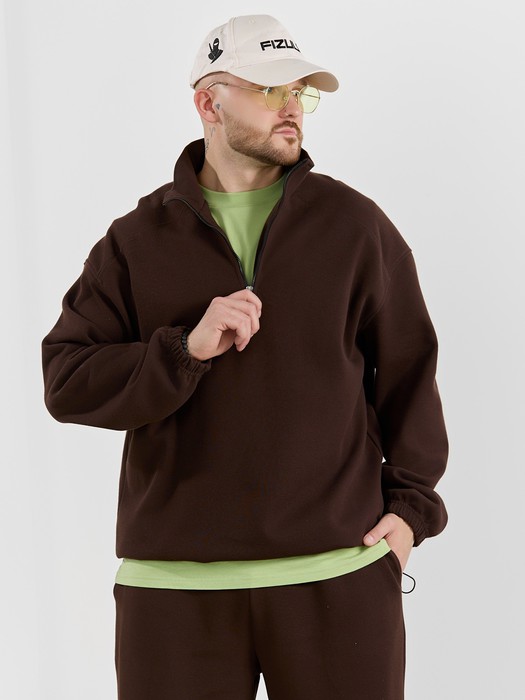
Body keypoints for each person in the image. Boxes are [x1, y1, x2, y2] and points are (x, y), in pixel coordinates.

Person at [41, 13, 448, 700]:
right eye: (268, 90)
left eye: (299, 91)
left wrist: (409, 513)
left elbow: (410, 376)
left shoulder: (355, 227)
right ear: (209, 103)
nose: (292, 107)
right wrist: (183, 350)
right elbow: (66, 380)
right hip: (174, 590)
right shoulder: (135, 241)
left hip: (337, 575)